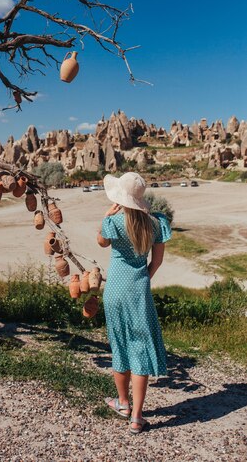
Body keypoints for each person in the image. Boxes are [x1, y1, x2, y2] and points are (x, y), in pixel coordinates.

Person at [99, 172, 171, 434]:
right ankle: (137, 417)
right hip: (139, 290)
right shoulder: (156, 223)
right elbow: (157, 261)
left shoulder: (114, 222)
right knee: (140, 349)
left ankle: (122, 403)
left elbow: (101, 241)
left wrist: (107, 215)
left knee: (119, 345)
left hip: (115, 291)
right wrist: (143, 279)